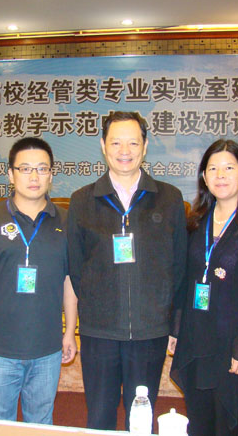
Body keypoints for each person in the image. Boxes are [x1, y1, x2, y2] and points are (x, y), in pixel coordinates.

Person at [67, 111, 188, 430]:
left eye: (133, 143)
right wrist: (97, 305)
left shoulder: (169, 199)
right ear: (103, 146)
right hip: (99, 332)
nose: (125, 150)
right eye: (116, 142)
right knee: (100, 416)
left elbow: (179, 267)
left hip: (150, 331)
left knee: (141, 418)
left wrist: (173, 323)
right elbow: (76, 268)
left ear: (145, 146)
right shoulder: (81, 201)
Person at [0, 137, 78, 424]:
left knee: (41, 423)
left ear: (51, 174)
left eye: (42, 168)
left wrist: (70, 331)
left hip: (47, 348)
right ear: (11, 175)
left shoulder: (66, 221)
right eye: (25, 169)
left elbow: (70, 281)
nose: (34, 177)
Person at [169, 139, 238, 435]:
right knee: (200, 421)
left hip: (233, 344)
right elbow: (184, 280)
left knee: (231, 423)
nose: (220, 175)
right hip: (196, 340)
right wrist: (176, 329)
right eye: (213, 169)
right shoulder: (195, 222)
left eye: (229, 168)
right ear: (204, 177)